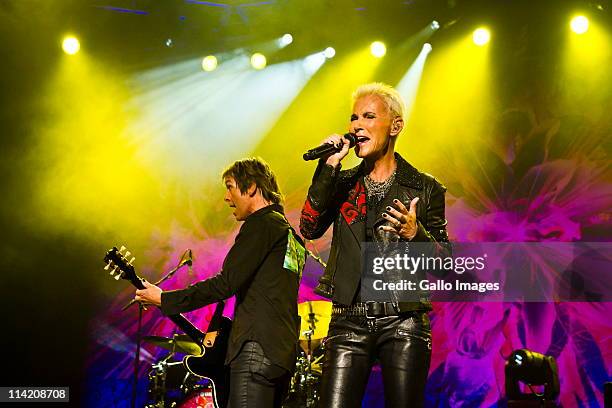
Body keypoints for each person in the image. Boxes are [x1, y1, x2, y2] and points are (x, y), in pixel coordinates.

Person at [299, 82, 450, 407]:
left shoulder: (425, 188)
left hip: (403, 319)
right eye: (354, 118)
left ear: (395, 126)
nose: (356, 126)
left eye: (368, 116)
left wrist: (417, 235)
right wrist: (328, 168)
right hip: (348, 318)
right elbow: (308, 227)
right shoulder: (340, 181)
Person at [135, 157, 305, 408]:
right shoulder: (291, 235)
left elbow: (225, 284)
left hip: (255, 350)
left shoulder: (261, 224)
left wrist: (164, 298)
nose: (226, 197)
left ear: (251, 188)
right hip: (281, 355)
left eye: (230, 187)